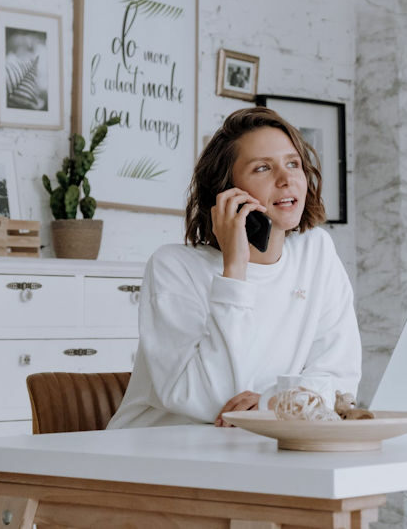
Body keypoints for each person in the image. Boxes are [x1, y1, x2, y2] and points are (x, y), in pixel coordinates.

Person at [107, 106, 361, 429]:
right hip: (157, 453)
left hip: (254, 447)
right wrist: (235, 269)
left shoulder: (318, 253)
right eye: (263, 168)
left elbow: (340, 382)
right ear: (226, 192)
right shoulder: (172, 268)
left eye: (293, 163)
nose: (286, 179)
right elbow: (211, 399)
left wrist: (269, 404)